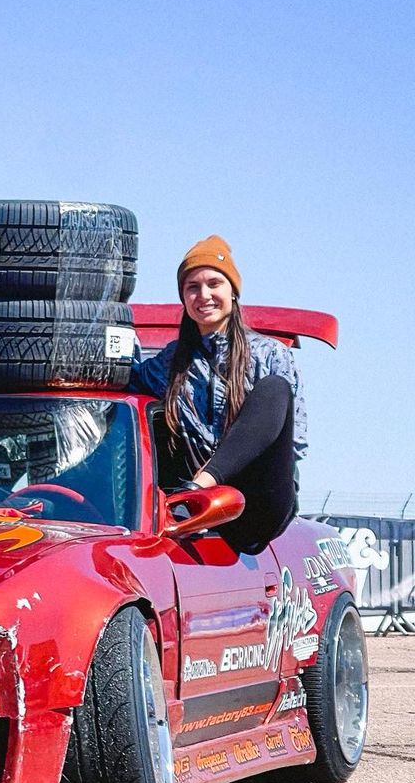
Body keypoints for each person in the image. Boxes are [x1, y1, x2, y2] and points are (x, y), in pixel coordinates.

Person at [131, 235, 306, 554]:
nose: (204, 295)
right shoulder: (169, 362)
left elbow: (296, 442)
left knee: (275, 388)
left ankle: (201, 485)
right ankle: (190, 495)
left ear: (233, 291)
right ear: (183, 298)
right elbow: (119, 377)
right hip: (195, 510)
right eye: (192, 287)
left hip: (259, 504)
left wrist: (206, 482)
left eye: (214, 284)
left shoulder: (270, 354)